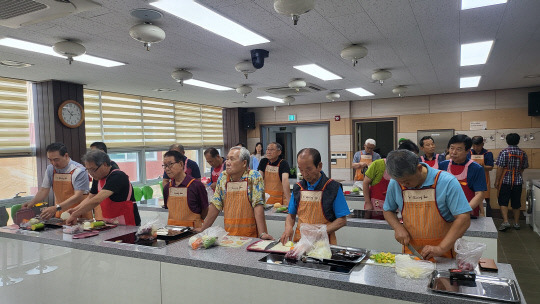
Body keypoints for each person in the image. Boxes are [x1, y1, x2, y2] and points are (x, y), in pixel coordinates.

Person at [383, 149, 472, 260]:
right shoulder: (395, 183)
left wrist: (441, 248)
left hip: (443, 253)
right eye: (400, 182)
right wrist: (397, 228)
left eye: (407, 181)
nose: (403, 185)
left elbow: (463, 218)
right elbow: (388, 210)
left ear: (419, 168)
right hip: (412, 251)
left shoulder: (447, 181)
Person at [195, 147, 273, 239]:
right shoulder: (223, 177)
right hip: (229, 235)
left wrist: (262, 234)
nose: (227, 163)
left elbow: (258, 206)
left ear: (244, 163)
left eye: (232, 159)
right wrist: (203, 229)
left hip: (251, 235)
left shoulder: (253, 176)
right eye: (227, 159)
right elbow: (215, 205)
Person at [280, 148, 349, 245]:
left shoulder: (333, 187)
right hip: (300, 242)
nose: (304, 174)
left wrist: (319, 232)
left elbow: (342, 220)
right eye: (301, 169)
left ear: (319, 166)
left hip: (324, 244)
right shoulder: (298, 188)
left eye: (308, 169)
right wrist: (288, 228)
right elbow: (291, 216)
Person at [67, 150, 141, 226]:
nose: (91, 173)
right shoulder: (98, 177)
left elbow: (97, 200)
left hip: (127, 222)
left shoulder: (118, 176)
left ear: (105, 164)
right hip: (109, 222)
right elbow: (90, 197)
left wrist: (75, 215)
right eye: (88, 170)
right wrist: (75, 210)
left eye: (93, 169)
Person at [22, 143, 91, 220]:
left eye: (56, 160)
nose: (53, 163)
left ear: (66, 156)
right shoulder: (50, 169)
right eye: (50, 160)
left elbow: (77, 196)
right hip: (60, 211)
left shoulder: (79, 171)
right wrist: (32, 202)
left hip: (79, 212)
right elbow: (44, 190)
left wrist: (56, 208)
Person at [363, 140, 419, 215]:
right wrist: (367, 202)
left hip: (396, 207)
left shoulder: (411, 169)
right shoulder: (378, 164)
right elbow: (365, 183)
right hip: (376, 206)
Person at [439, 135, 487, 217]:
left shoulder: (476, 168)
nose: (453, 152)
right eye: (451, 148)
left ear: (467, 151)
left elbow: (479, 194)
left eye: (458, 149)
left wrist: (465, 210)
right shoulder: (442, 166)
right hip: (446, 213)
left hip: (468, 213)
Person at [162, 150, 208, 227]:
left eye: (170, 164)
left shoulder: (196, 185)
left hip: (193, 233)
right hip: (173, 233)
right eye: (165, 165)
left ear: (181, 164)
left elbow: (205, 209)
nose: (167, 169)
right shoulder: (167, 188)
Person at [495, 133, 528, 231]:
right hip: (518, 182)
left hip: (505, 181)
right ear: (518, 141)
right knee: (516, 202)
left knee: (503, 201)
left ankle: (506, 221)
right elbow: (524, 167)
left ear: (507, 141)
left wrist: (497, 181)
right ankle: (516, 223)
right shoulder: (523, 153)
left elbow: (500, 167)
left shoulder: (504, 152)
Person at [468, 136, 494, 217]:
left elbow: (490, 167)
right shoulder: (469, 153)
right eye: (474, 146)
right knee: (472, 199)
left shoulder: (488, 153)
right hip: (471, 180)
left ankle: (486, 218)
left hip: (484, 179)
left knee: (485, 200)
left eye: (478, 145)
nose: (476, 148)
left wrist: (482, 167)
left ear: (482, 144)